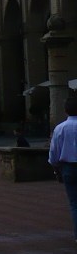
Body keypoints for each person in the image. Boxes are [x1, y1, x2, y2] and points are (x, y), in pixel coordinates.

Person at [48, 97, 77, 244]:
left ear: (66, 110)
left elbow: (54, 151)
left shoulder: (60, 128)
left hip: (68, 167)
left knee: (74, 203)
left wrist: (55, 167)